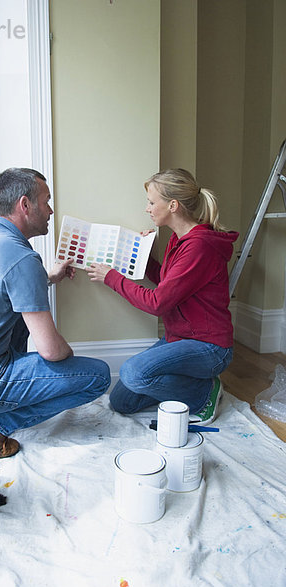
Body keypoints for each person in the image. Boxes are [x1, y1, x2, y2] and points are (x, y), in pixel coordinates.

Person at [0, 168, 110, 457]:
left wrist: (46, 278)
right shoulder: (23, 258)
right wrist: (67, 361)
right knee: (98, 376)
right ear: (25, 205)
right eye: (46, 201)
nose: (51, 211)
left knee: (18, 319)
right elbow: (52, 352)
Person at [87, 168, 239, 425]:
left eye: (151, 201)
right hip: (179, 338)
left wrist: (112, 277)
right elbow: (169, 284)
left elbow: (157, 302)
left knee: (133, 373)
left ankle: (203, 394)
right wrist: (144, 257)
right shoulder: (179, 240)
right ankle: (188, 384)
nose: (147, 208)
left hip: (209, 347)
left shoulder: (199, 246)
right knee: (122, 400)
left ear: (172, 205)